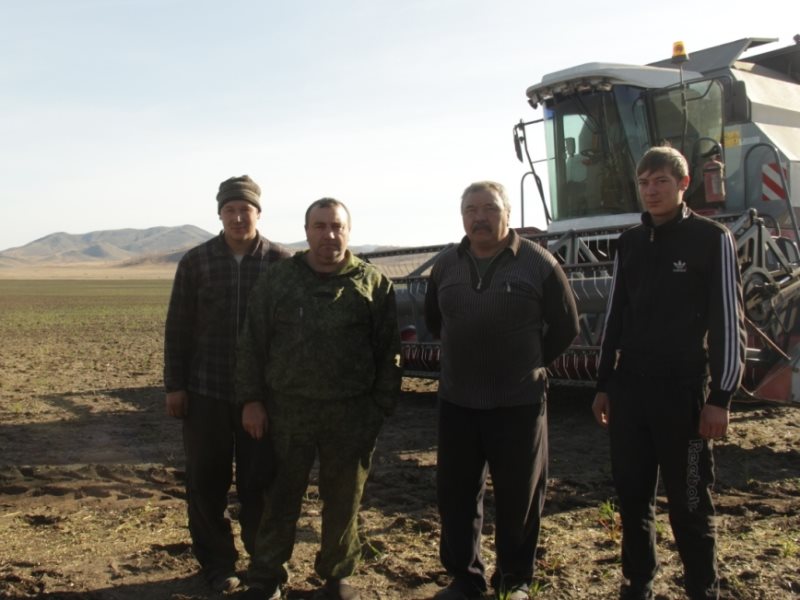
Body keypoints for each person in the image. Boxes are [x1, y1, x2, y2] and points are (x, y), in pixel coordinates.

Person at [591, 146, 746, 600]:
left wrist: (721, 396)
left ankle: (703, 587)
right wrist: (603, 383)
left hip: (685, 394)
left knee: (691, 498)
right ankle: (637, 583)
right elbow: (614, 315)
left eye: (660, 181)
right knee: (633, 494)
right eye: (644, 183)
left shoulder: (711, 238)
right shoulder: (630, 243)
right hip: (630, 392)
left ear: (683, 185)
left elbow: (727, 322)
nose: (651, 191)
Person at [236, 198, 402, 600]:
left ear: (349, 230)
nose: (330, 234)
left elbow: (389, 353)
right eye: (320, 226)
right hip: (286, 411)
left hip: (351, 414)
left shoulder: (373, 284)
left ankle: (336, 575)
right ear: (307, 231)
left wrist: (378, 409)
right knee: (279, 496)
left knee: (344, 499)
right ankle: (268, 575)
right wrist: (252, 401)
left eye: (337, 226)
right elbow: (252, 342)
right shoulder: (280, 280)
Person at [424, 181, 580, 600]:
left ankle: (514, 581)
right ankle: (465, 578)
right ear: (462, 217)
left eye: (489, 208)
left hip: (518, 403)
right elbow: (436, 322)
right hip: (458, 402)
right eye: (471, 209)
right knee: (456, 494)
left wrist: (528, 363)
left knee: (519, 496)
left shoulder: (538, 263)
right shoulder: (445, 266)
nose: (480, 217)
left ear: (506, 214)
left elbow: (566, 325)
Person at [163, 175, 291, 593]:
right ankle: (217, 565)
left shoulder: (281, 263)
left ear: (258, 212)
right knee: (206, 483)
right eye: (230, 210)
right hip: (205, 392)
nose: (238, 217)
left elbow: (291, 335)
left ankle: (263, 563)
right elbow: (177, 328)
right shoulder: (196, 261)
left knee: (260, 484)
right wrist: (175, 386)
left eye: (246, 209)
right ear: (219, 214)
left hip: (262, 399)